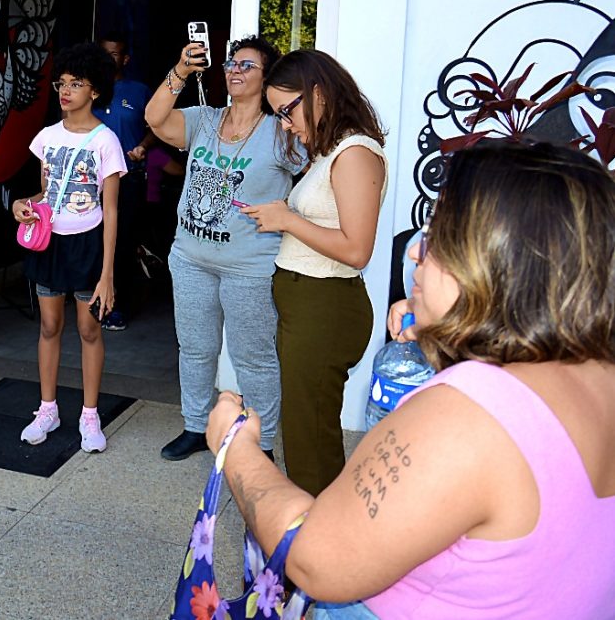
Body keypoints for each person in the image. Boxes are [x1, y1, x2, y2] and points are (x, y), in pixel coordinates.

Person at [208, 141, 615, 619]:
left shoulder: (469, 416)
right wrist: (447, 339)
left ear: (495, 264)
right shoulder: (596, 370)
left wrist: (236, 449)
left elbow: (318, 559)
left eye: (440, 237)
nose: (417, 250)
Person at [145, 35, 302, 463]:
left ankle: (262, 442)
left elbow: (319, 176)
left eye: (248, 65)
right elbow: (155, 118)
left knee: (253, 358)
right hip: (191, 260)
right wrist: (181, 70)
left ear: (267, 78)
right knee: (195, 349)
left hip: (249, 267)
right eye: (232, 63)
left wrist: (289, 210)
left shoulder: (280, 132)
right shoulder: (204, 119)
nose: (235, 69)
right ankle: (196, 426)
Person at [242, 49, 387, 495]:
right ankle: (315, 538)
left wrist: (287, 219)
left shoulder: (356, 153)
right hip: (309, 306)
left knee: (311, 438)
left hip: (325, 308)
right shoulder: (330, 153)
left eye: (287, 110)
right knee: (308, 431)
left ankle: (314, 545)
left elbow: (358, 249)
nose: (285, 124)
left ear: (318, 93)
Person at [12, 43, 126, 453]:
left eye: (76, 84)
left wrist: (107, 275)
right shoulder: (46, 137)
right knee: (48, 326)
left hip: (89, 244)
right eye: (62, 83)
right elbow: (47, 193)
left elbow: (111, 211)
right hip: (49, 245)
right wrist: (21, 206)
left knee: (89, 328)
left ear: (95, 91)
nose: (65, 91)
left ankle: (90, 415)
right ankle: (48, 409)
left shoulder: (106, 141)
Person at [96, 32, 154, 331]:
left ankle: (117, 306)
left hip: (128, 179)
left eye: (115, 53)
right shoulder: (88, 89)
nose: (109, 58)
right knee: (92, 241)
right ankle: (91, 300)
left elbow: (157, 126)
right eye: (104, 52)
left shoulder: (139, 91)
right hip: (89, 181)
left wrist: (143, 145)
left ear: (125, 58)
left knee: (122, 243)